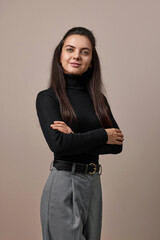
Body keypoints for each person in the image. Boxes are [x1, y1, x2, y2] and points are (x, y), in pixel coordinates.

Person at [36, 26, 124, 240]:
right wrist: (102, 134)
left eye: (85, 52)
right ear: (60, 55)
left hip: (93, 184)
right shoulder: (48, 98)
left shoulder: (98, 100)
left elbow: (117, 144)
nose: (76, 56)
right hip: (64, 183)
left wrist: (74, 135)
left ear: (91, 60)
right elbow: (59, 145)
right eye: (70, 49)